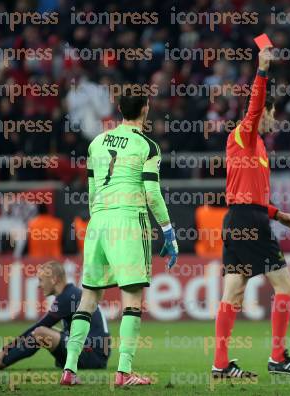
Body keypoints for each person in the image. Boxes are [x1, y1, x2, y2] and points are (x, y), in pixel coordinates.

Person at [60, 92, 179, 386]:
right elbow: (151, 193)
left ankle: (69, 369)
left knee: (88, 298)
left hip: (97, 221)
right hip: (128, 220)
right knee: (133, 299)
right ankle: (124, 372)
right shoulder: (147, 146)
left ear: (119, 110)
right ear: (145, 109)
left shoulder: (96, 143)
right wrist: (167, 230)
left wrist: (98, 220)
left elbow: (90, 191)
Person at [211, 46, 290, 378]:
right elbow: (254, 107)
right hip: (247, 222)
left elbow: (248, 194)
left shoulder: (258, 148)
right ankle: (277, 357)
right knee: (285, 286)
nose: (271, 121)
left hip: (243, 218)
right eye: (270, 114)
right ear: (263, 113)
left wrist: (277, 213)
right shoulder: (243, 134)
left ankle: (221, 363)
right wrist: (263, 69)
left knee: (234, 291)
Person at [0, 261, 109, 371]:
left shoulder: (68, 296)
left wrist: (5, 350)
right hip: (93, 353)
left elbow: (39, 327)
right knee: (46, 333)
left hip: (93, 355)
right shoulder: (72, 294)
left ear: (53, 279)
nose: (39, 285)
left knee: (41, 333)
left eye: (41, 280)